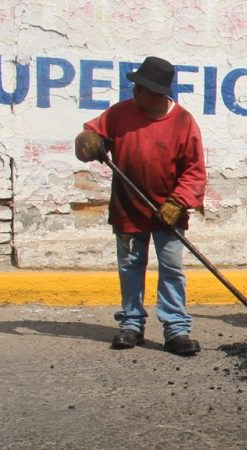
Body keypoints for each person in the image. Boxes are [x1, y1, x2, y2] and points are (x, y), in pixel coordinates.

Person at [74, 55, 207, 356]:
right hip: (128, 206)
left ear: (158, 93)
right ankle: (131, 324)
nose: (134, 93)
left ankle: (176, 329)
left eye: (140, 88)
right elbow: (91, 134)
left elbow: (195, 171)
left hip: (168, 212)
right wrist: (86, 141)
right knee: (131, 266)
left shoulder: (184, 123)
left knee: (171, 268)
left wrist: (178, 202)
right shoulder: (121, 113)